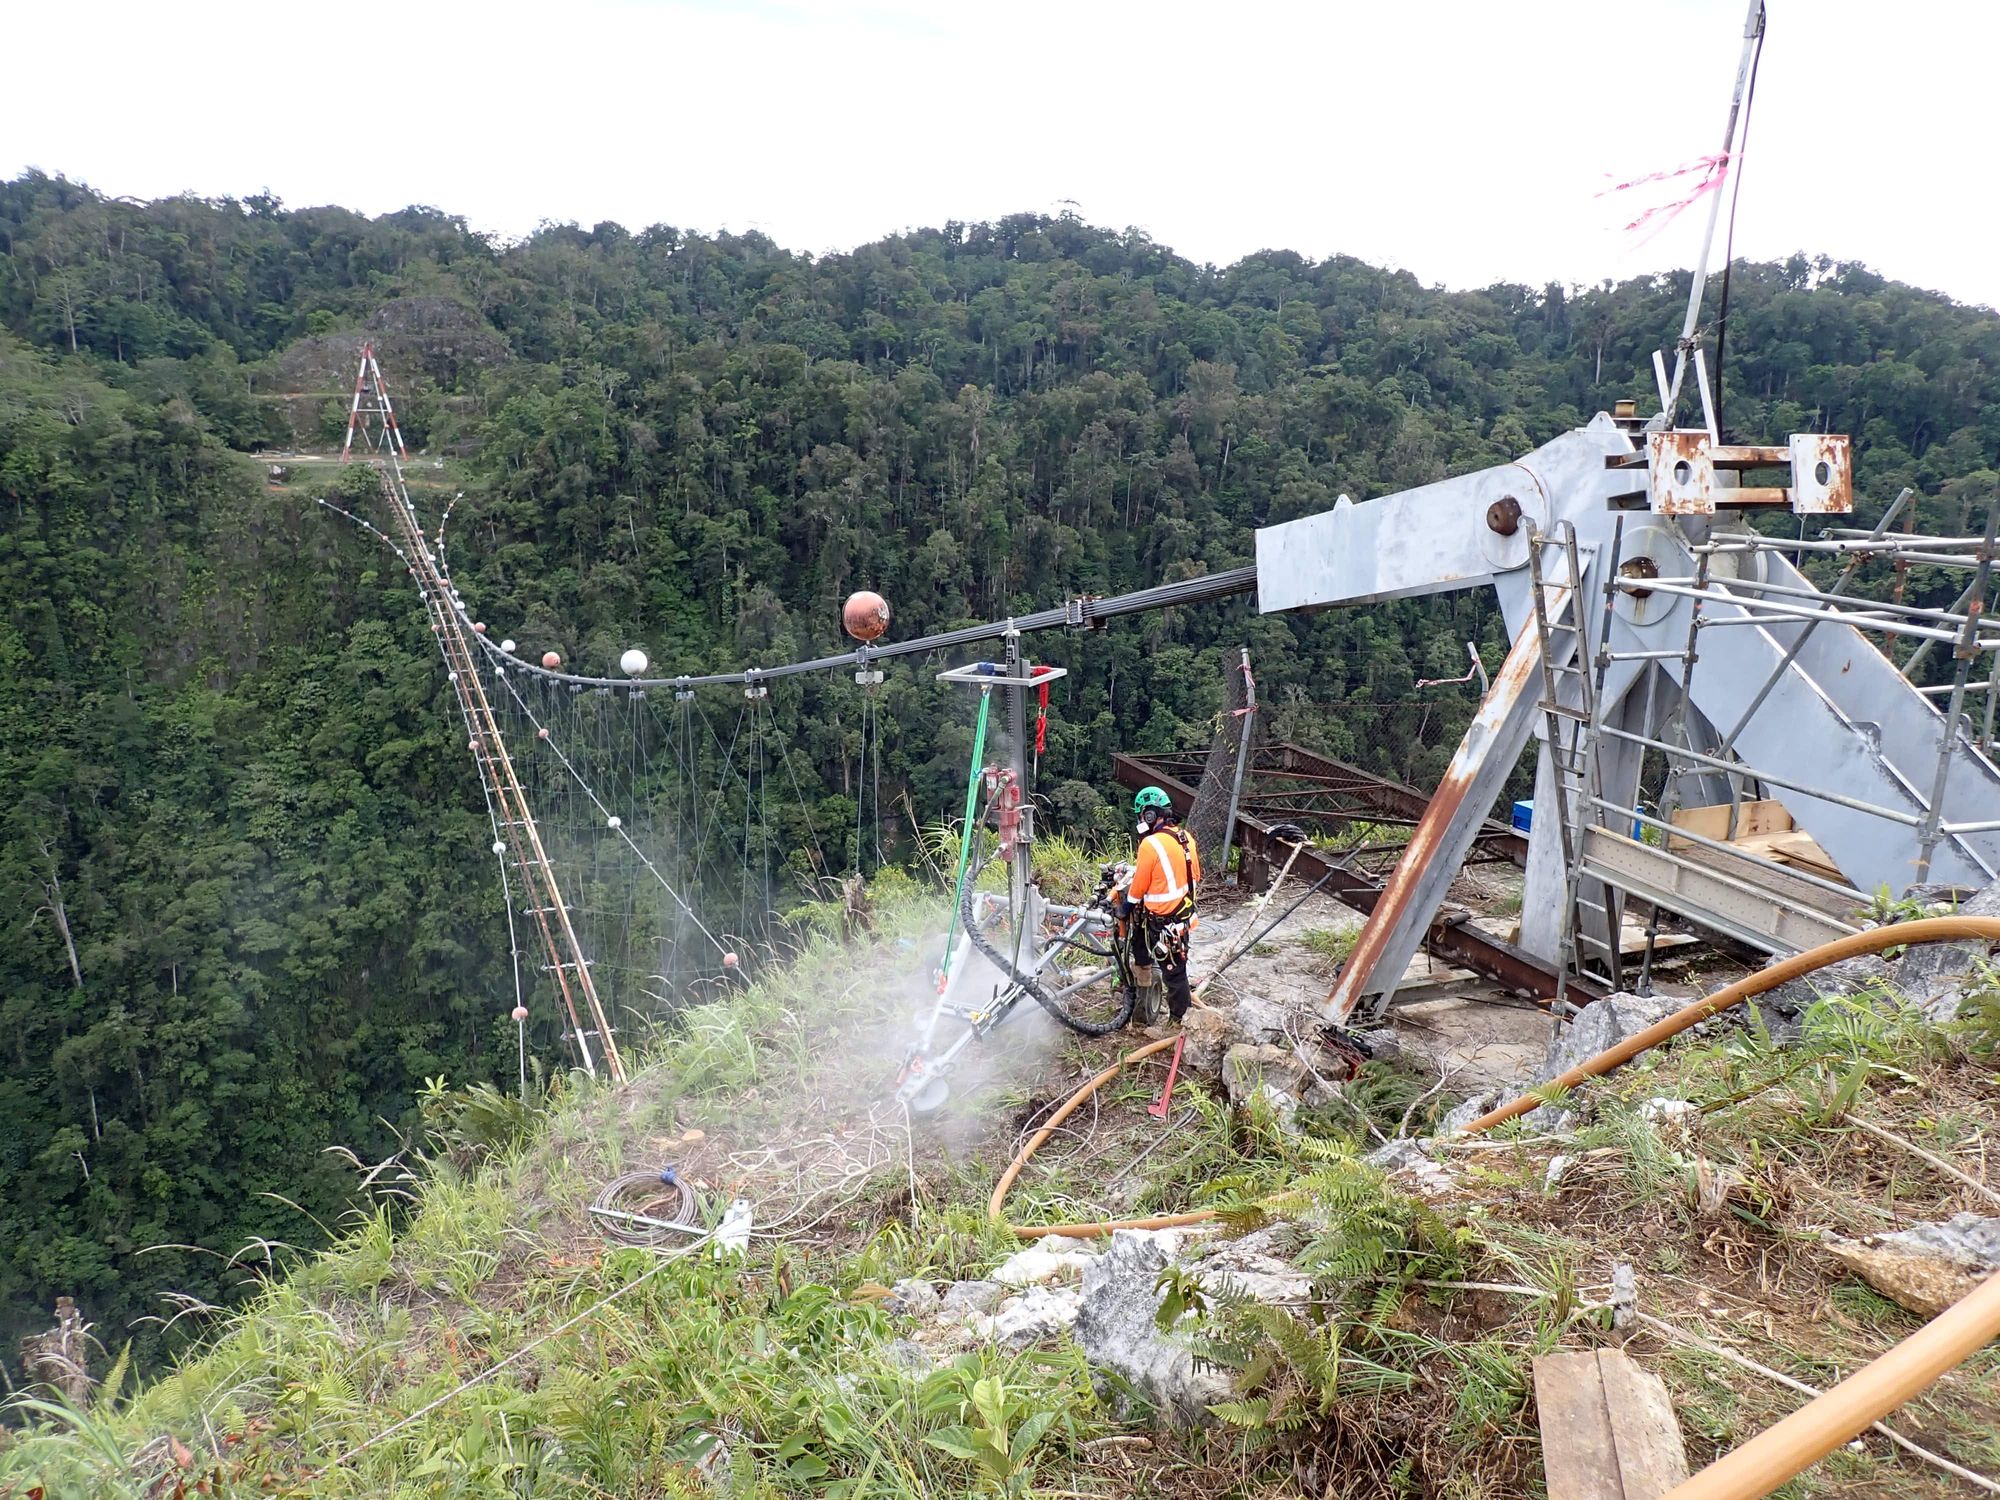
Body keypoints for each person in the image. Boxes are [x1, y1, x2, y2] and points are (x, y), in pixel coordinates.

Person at [1121, 786, 1201, 1024]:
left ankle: (1180, 1023)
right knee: (1174, 968)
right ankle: (1152, 1011)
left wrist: (1126, 905)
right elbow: (1194, 875)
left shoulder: (1150, 844)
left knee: (1173, 974)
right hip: (1183, 916)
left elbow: (1140, 885)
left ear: (1149, 815)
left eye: (1141, 816)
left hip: (1163, 921)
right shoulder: (1186, 839)